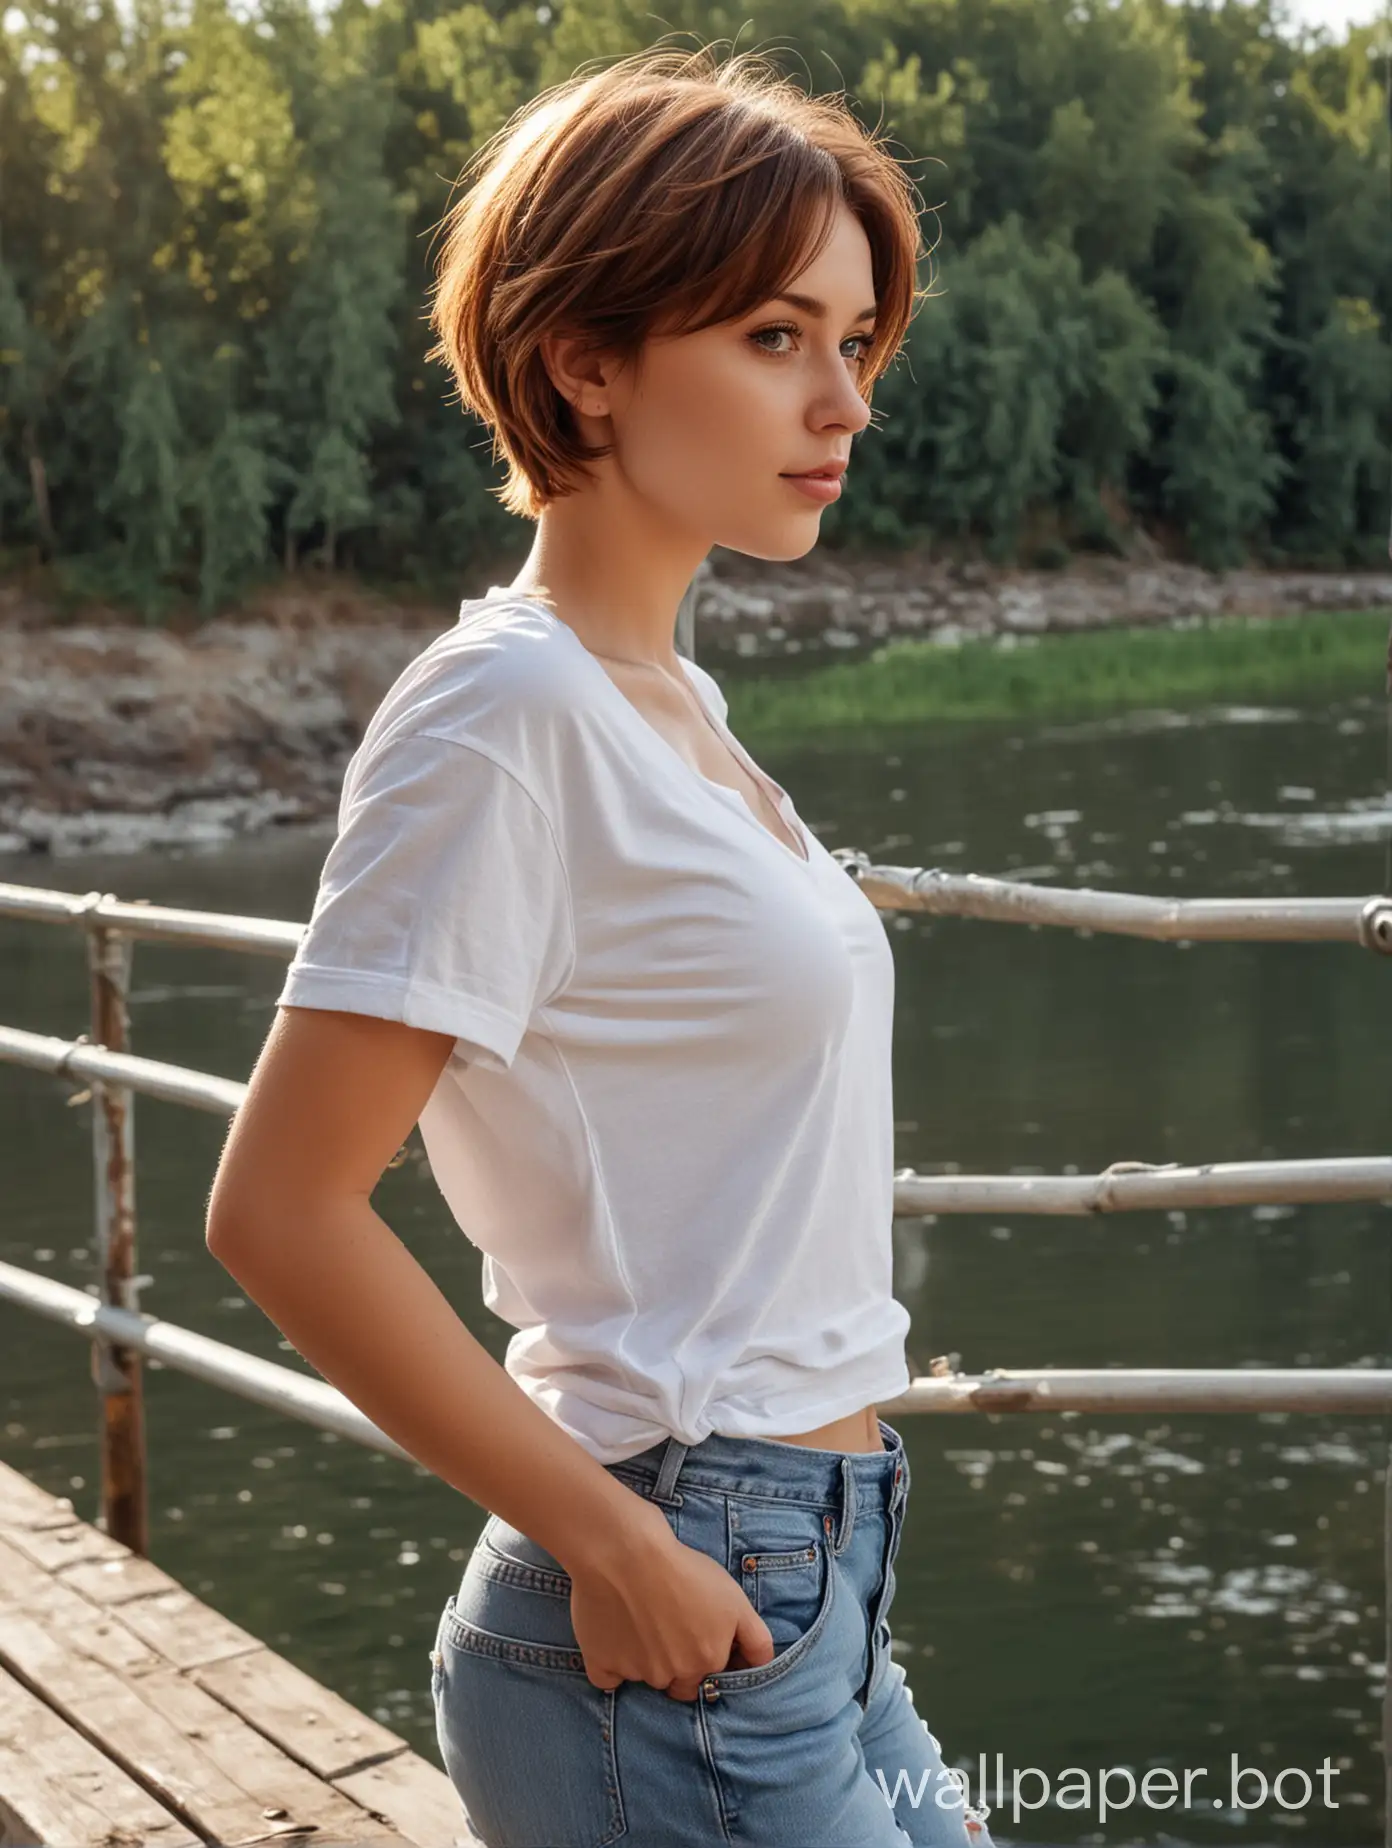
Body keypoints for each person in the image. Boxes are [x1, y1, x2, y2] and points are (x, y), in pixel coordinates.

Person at [204, 38, 993, 1848]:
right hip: (676, 1592)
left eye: (855, 341)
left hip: (813, 1592)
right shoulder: (504, 715)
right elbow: (280, 1207)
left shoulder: (666, 704)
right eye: (778, 336)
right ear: (586, 360)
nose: (845, 404)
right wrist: (614, 1540)